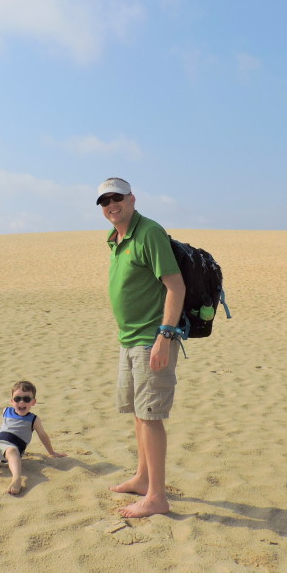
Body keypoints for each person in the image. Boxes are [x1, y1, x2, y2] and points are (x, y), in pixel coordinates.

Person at [97, 178, 185, 518]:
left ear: (132, 199)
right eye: (104, 201)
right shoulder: (116, 238)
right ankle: (142, 476)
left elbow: (175, 286)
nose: (111, 205)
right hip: (129, 338)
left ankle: (157, 497)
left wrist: (165, 335)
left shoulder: (149, 233)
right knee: (138, 411)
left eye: (116, 198)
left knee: (151, 416)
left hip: (152, 338)